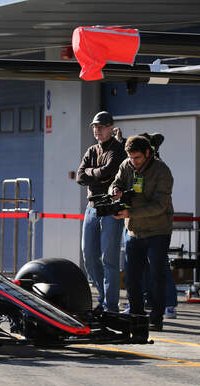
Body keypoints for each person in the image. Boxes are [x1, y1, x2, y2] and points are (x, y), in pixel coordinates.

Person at [110, 135, 174, 331]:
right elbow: (116, 182)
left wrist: (131, 213)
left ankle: (156, 318)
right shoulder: (126, 165)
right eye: (130, 157)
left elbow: (160, 205)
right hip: (134, 231)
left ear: (148, 153)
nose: (133, 162)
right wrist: (115, 190)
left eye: (137, 157)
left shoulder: (162, 171)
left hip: (158, 231)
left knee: (156, 275)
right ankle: (137, 315)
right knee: (132, 276)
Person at [76, 111, 126, 313]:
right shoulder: (91, 150)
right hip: (91, 208)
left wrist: (93, 174)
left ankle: (111, 306)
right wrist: (97, 175)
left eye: (102, 126)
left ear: (111, 128)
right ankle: (104, 297)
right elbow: (80, 176)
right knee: (88, 256)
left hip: (110, 209)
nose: (97, 130)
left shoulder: (117, 150)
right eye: (95, 127)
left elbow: (109, 172)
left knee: (109, 259)